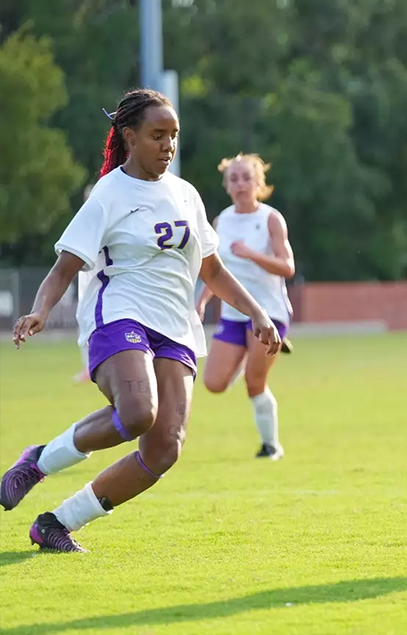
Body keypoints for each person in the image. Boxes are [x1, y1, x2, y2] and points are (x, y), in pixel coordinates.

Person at [2, 89, 280, 553]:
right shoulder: (110, 193)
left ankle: (56, 524)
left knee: (164, 448)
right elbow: (64, 268)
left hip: (175, 326)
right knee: (136, 413)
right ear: (129, 137)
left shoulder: (185, 193)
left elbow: (211, 270)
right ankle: (37, 462)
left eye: (173, 135)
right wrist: (40, 310)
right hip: (118, 314)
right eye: (157, 135)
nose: (168, 145)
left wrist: (256, 312)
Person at [196, 153, 296, 460]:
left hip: (267, 313)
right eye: (234, 179)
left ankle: (271, 446)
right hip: (233, 313)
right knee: (213, 384)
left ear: (258, 183)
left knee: (255, 384)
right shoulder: (221, 221)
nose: (240, 184)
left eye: (246, 178)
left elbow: (287, 267)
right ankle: (247, 357)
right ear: (226, 185)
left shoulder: (270, 218)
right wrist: (200, 302)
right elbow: (214, 271)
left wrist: (252, 254)